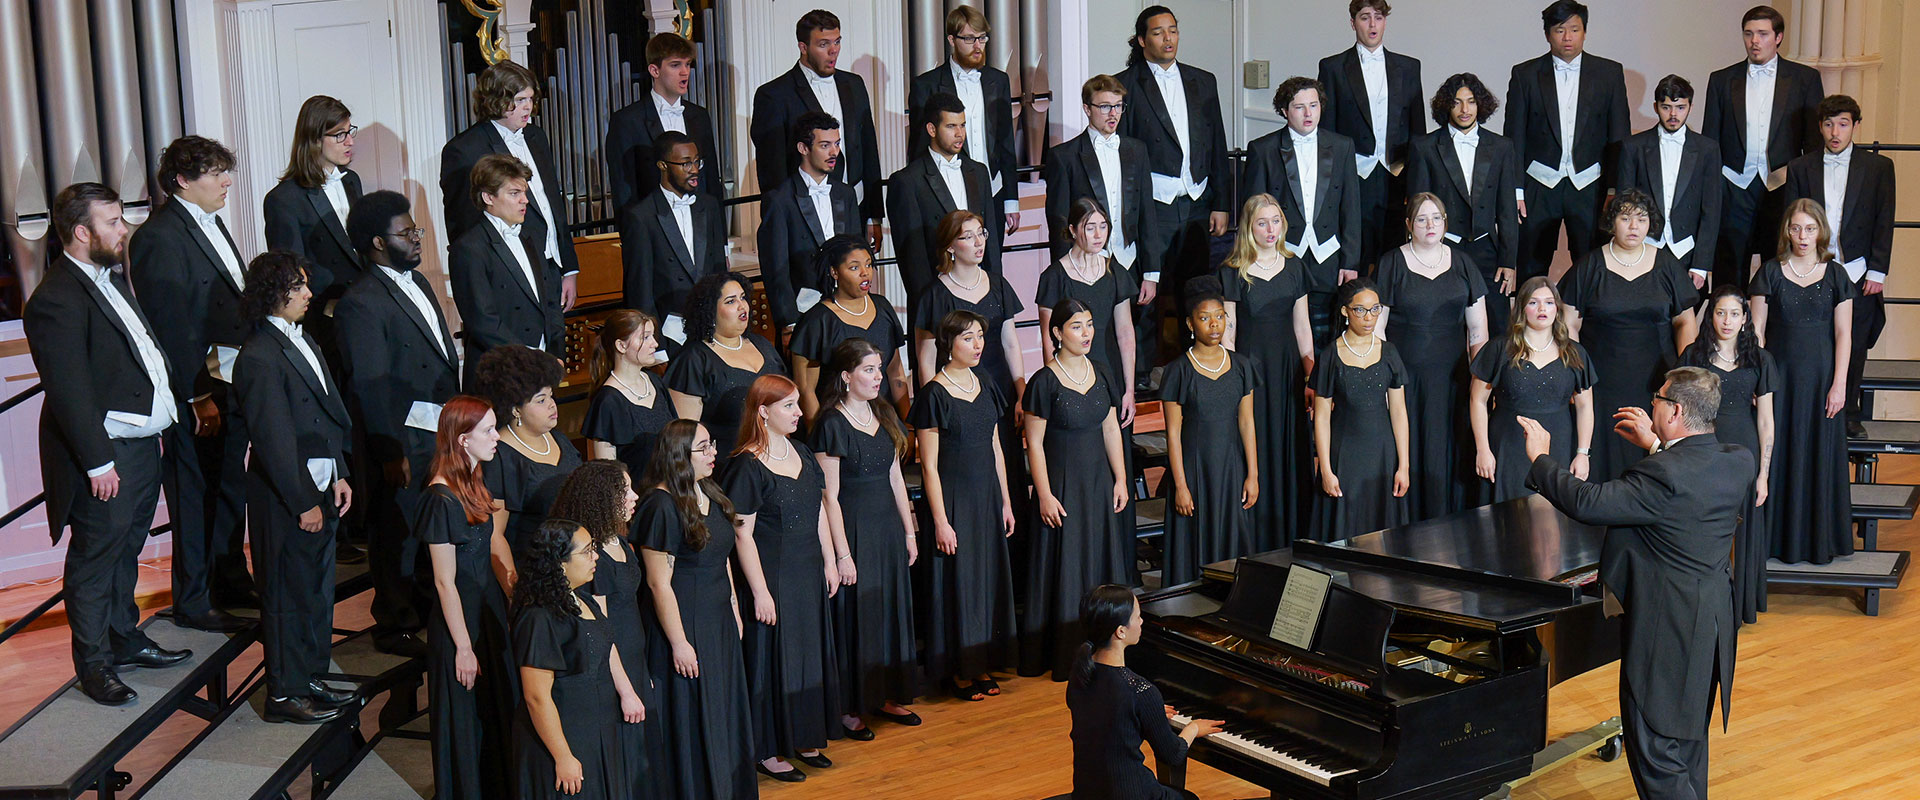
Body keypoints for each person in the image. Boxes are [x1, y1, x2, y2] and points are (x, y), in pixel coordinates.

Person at [1519, 367, 1750, 800]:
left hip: (1667, 632)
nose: (1651, 406)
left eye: (1658, 399)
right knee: (1687, 748)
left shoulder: (1663, 475)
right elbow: (1688, 470)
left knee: (1658, 754)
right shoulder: (1737, 460)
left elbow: (1588, 502)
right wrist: (1658, 443)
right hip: (1711, 626)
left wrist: (1540, 458)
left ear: (1676, 411)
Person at [27, 183, 190, 705]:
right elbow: (69, 390)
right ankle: (94, 665)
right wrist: (98, 464)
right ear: (82, 232)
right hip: (105, 456)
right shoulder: (54, 298)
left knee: (128, 549)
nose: (125, 230)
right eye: (114, 221)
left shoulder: (110, 279)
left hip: (140, 447)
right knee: (96, 560)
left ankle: (124, 638)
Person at [128, 135, 253, 632]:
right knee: (194, 493)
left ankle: (231, 580)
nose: (227, 181)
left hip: (229, 378)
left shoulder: (212, 222)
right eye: (215, 172)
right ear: (182, 180)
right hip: (197, 386)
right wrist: (197, 394)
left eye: (227, 170)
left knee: (228, 486)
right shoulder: (159, 236)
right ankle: (194, 599)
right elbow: (173, 325)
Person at [232, 251, 356, 724]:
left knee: (316, 593)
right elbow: (273, 440)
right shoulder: (260, 356)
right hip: (287, 498)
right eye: (298, 286)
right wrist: (304, 501)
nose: (309, 294)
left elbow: (325, 415)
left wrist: (340, 471)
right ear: (272, 293)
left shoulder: (302, 341)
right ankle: (284, 693)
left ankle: (309, 678)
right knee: (286, 595)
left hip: (321, 485)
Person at [338, 189, 462, 658]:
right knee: (398, 535)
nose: (417, 239)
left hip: (437, 429)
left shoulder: (420, 283)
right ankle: (394, 624)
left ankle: (428, 609)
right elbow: (369, 384)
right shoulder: (361, 302)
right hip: (401, 437)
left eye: (417, 231)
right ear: (376, 243)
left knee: (429, 525)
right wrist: (390, 452)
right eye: (407, 233)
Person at [726, 375, 844, 780]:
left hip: (808, 569)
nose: (798, 412)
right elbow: (742, 534)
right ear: (763, 412)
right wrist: (759, 592)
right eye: (788, 406)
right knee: (773, 660)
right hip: (773, 575)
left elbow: (818, 512)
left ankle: (804, 735)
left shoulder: (803, 453)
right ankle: (770, 748)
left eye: (797, 404)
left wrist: (829, 561)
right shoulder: (747, 465)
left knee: (808, 654)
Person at [638, 420, 758, 800]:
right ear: (679, 456)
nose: (713, 453)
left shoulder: (707, 489)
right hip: (686, 623)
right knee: (695, 712)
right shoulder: (660, 504)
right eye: (704, 448)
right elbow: (659, 583)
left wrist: (736, 609)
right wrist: (679, 643)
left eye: (712, 444)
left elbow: (721, 554)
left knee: (724, 707)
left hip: (718, 617)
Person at [811, 339, 922, 731]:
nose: (878, 377)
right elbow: (830, 497)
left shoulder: (884, 412)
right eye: (868, 370)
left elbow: (895, 477)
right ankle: (849, 706)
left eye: (878, 369)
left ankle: (886, 695)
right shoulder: (831, 423)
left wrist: (909, 531)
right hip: (854, 530)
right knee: (858, 616)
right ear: (846, 376)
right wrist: (842, 554)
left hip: (888, 527)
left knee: (889, 610)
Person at [909, 310, 1017, 702]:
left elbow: (995, 447)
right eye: (968, 338)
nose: (978, 344)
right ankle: (957, 670)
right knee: (957, 585)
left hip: (986, 496)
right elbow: (930, 467)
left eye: (980, 337)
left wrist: (1004, 500)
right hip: (952, 501)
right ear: (948, 344)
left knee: (985, 581)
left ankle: (982, 661)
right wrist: (940, 520)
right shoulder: (934, 394)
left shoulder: (985, 381)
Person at [1021, 299, 1133, 680]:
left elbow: (1110, 429)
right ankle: (1068, 653)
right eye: (1076, 327)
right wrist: (1046, 493)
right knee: (1066, 567)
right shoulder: (1044, 381)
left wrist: (1120, 477)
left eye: (1089, 325)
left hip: (1098, 484)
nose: (1086, 333)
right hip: (1063, 485)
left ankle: (1106, 650)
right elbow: (1033, 444)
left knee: (1099, 562)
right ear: (1057, 333)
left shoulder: (1101, 371)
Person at [1560, 188, 1699, 483]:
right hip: (1601, 383)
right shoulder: (1590, 266)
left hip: (1657, 385)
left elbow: (1685, 322)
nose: (1634, 227)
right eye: (1625, 218)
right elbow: (1568, 324)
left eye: (1641, 219)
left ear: (1651, 224)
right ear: (1612, 222)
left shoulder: (1667, 265)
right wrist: (1578, 376)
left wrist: (1684, 377)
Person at [417, 395, 516, 800]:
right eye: (488, 431)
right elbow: (444, 582)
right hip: (460, 624)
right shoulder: (439, 498)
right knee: (465, 720)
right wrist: (462, 647)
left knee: (494, 711)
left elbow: (493, 544)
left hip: (486, 611)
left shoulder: (473, 479)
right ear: (462, 440)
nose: (497, 437)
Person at [1782, 95, 1895, 439]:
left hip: (1858, 268)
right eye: (1829, 124)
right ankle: (1809, 408)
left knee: (1856, 340)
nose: (1835, 132)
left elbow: (1883, 220)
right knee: (1813, 338)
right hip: (1813, 267)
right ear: (1820, 127)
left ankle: (1849, 412)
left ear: (1855, 126)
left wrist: (1878, 271)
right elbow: (1791, 217)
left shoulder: (1878, 167)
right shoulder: (1802, 167)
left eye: (1843, 124)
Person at [1749, 199, 1854, 565]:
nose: (1803, 236)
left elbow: (1844, 335)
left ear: (1821, 231)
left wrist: (1839, 384)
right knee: (1778, 449)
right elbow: (1757, 332)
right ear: (1787, 231)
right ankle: (1777, 541)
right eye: (1796, 228)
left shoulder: (1837, 274)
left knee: (1820, 452)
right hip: (1780, 377)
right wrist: (1757, 381)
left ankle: (1819, 540)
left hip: (1823, 377)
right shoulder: (1770, 272)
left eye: (1810, 228)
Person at [1116, 6, 1229, 344]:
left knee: (1194, 288)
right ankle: (1143, 374)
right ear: (1141, 39)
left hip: (1197, 201)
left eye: (1173, 30)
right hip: (1154, 205)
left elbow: (1217, 144)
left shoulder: (1203, 80)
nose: (1168, 38)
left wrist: (1221, 202)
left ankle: (1191, 361)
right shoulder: (1125, 85)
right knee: (1147, 292)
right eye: (1158, 32)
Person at [512, 519, 646, 800]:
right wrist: (563, 756)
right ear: (560, 563)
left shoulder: (584, 600)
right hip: (564, 740)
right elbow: (536, 697)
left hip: (596, 732)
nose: (595, 556)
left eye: (594, 548)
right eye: (587, 551)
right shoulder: (539, 618)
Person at [1375, 192, 1489, 519]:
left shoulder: (1464, 263)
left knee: (1447, 450)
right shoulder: (1391, 263)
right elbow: (1377, 329)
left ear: (1445, 223)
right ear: (1409, 224)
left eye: (1436, 218)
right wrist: (1388, 377)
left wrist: (1480, 382)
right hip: (1404, 378)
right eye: (1422, 219)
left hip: (1452, 380)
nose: (1430, 225)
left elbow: (1478, 332)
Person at [1504, 0, 1631, 284]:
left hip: (1590, 184)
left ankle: (1587, 328)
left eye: (1575, 29)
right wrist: (1516, 190)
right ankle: (1527, 325)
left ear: (1585, 32)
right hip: (1539, 183)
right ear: (1548, 34)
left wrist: (1615, 189)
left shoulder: (1609, 73)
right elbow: (1514, 137)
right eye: (1560, 30)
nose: (1568, 37)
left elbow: (1619, 137)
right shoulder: (1525, 74)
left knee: (1593, 266)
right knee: (1531, 264)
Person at [548, 459, 656, 792]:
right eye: (625, 491)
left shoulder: (620, 542)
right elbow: (601, 629)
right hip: (613, 670)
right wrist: (626, 690)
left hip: (634, 661)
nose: (635, 497)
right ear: (601, 497)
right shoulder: (592, 556)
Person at [1043, 75, 1162, 372]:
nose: (1113, 114)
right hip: (1084, 266)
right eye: (1105, 107)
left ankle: (1131, 393)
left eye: (1119, 106)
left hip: (1129, 258)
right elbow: (1058, 219)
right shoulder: (1064, 156)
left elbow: (1147, 211)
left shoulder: (1137, 150)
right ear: (1087, 108)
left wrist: (1151, 271)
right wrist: (1064, 274)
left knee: (1130, 335)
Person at [1704, 5, 1825, 291]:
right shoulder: (1721, 80)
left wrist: (1806, 195)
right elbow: (1711, 142)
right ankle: (1728, 333)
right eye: (1748, 34)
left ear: (1778, 37)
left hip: (1783, 186)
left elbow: (1813, 143)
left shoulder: (1804, 79)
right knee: (1729, 265)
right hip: (1734, 185)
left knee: (1779, 264)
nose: (1754, 41)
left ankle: (1773, 332)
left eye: (1762, 34)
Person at [441, 60, 580, 308]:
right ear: (495, 99)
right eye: (519, 100)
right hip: (508, 274)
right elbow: (462, 225)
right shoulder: (464, 150)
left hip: (551, 268)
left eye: (530, 99)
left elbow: (552, 206)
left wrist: (568, 268)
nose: (528, 107)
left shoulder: (537, 137)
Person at [1216, 195, 1313, 549]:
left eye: (1275, 221)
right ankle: (1255, 533)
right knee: (1254, 442)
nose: (1270, 229)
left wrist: (1309, 376)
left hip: (1287, 370)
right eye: (1262, 222)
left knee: (1290, 444)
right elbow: (1228, 331)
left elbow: (1303, 328)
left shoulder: (1295, 266)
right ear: (1248, 227)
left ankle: (1293, 531)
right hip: (1251, 369)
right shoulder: (1232, 270)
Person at [1066, 585, 1220, 800]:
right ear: (1120, 631)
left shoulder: (1079, 674)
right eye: (1137, 617)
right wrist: (1193, 728)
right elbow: (1173, 755)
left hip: (1087, 792)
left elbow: (1106, 721)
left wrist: (1149, 714)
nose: (1141, 622)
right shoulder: (1140, 690)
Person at [1678, 286, 1776, 624]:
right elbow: (1679, 410)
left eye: (1735, 314)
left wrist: (1763, 474)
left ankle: (1738, 605)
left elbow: (1765, 420)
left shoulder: (1760, 359)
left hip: (1743, 453)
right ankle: (1701, 604)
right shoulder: (1693, 355)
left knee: (1743, 528)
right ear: (1711, 316)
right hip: (1703, 451)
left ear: (1745, 319)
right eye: (1721, 313)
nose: (1727, 320)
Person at [1242, 76, 1360, 346]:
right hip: (1282, 252)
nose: (1309, 114)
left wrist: (1350, 261)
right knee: (1283, 328)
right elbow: (1253, 213)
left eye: (1314, 105)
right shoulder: (1263, 149)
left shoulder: (1342, 146)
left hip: (1327, 252)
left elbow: (1351, 208)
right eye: (1299, 107)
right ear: (1284, 111)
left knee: (1323, 328)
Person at [1160, 277, 1260, 584]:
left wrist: (1253, 474)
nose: (1214, 325)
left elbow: (1246, 422)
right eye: (1205, 318)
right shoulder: (1178, 371)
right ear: (1191, 324)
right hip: (1195, 468)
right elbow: (1173, 433)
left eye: (1219, 317)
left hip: (1230, 466)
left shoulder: (1241, 366)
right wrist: (1180, 485)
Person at [750, 8, 885, 235]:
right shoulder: (774, 95)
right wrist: (782, 225)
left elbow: (868, 149)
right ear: (803, 47)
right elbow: (771, 170)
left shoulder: (854, 84)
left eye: (837, 42)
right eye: (823, 45)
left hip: (855, 211)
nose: (833, 51)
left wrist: (874, 215)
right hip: (804, 217)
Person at [1316, 0, 1426, 273]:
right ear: (1353, 23)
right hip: (1354, 173)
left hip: (1396, 173)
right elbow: (1327, 131)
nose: (1373, 24)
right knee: (1355, 250)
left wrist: (1416, 181)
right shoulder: (1333, 67)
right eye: (1365, 17)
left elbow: (1417, 129)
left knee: (1394, 251)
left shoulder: (1409, 66)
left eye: (1378, 17)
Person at [1407, 72, 1521, 329]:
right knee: (1446, 325)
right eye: (1457, 102)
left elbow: (1506, 210)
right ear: (1446, 105)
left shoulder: (1501, 147)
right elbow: (1419, 208)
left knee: (1497, 326)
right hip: (1443, 248)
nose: (1464, 109)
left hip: (1487, 251)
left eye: (1470, 101)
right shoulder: (1424, 147)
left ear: (1480, 104)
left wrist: (1508, 260)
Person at [1470, 278, 1595, 502]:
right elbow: (1478, 400)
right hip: (1508, 446)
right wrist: (1483, 449)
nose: (1541, 309)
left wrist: (1582, 453)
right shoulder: (1500, 348)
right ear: (1521, 308)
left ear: (1557, 308)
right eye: (1533, 302)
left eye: (1548, 303)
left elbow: (1585, 406)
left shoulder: (1574, 353)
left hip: (1558, 446)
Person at [449, 154, 566, 386]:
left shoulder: (529, 237)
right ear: (488, 197)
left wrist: (555, 353)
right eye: (514, 193)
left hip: (541, 364)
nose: (525, 201)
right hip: (501, 371)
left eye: (524, 192)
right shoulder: (469, 248)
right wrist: (530, 359)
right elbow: (484, 322)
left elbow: (550, 301)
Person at [1311, 278, 1410, 541]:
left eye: (1375, 309)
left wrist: (1404, 465)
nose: (1369, 318)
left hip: (1382, 454)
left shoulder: (1389, 352)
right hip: (1345, 454)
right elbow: (1321, 417)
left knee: (1382, 534)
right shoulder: (1330, 355)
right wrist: (1326, 469)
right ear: (1345, 311)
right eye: (1361, 310)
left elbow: (1399, 412)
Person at [886, 92, 1006, 306]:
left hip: (980, 293)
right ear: (932, 129)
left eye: (962, 125)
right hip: (937, 298)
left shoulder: (978, 172)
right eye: (951, 126)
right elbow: (912, 258)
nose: (960, 134)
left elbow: (992, 242)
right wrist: (930, 304)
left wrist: (995, 291)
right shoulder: (907, 181)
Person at [262, 96, 364, 342]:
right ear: (315, 140)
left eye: (350, 131)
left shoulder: (351, 180)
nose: (349, 141)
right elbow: (291, 270)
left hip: (362, 309)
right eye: (339, 134)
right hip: (324, 318)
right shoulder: (284, 199)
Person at [664, 271, 786, 475]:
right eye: (730, 301)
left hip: (776, 461)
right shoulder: (693, 359)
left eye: (743, 297)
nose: (742, 306)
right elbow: (685, 439)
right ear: (710, 311)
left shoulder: (763, 345)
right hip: (726, 471)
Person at [908, 6, 1020, 228]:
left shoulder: (999, 81)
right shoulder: (926, 85)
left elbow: (1006, 141)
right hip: (948, 193)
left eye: (982, 38)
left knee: (991, 261)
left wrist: (1011, 200)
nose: (978, 46)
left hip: (993, 192)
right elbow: (919, 147)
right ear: (952, 39)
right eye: (969, 39)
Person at [473, 344, 580, 562]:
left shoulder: (558, 438)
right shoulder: (499, 457)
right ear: (515, 409)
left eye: (551, 396)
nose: (552, 405)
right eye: (541, 400)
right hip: (534, 567)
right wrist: (514, 591)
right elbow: (495, 536)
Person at [617, 131, 727, 341]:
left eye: (697, 162)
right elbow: (640, 288)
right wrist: (654, 345)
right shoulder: (640, 216)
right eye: (685, 164)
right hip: (669, 333)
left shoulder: (709, 205)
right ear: (663, 166)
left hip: (710, 328)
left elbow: (718, 269)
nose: (694, 170)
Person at [1037, 199, 1139, 427]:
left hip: (1110, 370)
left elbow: (1125, 333)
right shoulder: (1054, 277)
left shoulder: (1115, 272)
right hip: (1071, 373)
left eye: (1103, 226)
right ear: (1073, 230)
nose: (1098, 235)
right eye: (1090, 227)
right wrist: (1055, 385)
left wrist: (1129, 389)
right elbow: (1048, 338)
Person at [758, 113, 864, 331]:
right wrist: (788, 322)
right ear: (803, 148)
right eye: (825, 145)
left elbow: (856, 253)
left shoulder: (846, 194)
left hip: (847, 309)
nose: (834, 152)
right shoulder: (779, 200)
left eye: (836, 144)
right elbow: (776, 268)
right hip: (803, 315)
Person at [1615, 75, 1724, 288]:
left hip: (1687, 251)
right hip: (1644, 246)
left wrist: (1701, 264)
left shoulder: (1707, 149)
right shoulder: (1633, 146)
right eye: (1666, 107)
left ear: (1690, 107)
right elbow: (1624, 205)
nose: (1673, 114)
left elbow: (1711, 211)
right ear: (1655, 107)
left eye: (1680, 107)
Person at [790, 235, 908, 420]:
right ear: (834, 272)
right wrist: (822, 438)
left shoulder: (883, 306)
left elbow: (895, 373)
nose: (865, 273)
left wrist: (907, 425)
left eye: (868, 264)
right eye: (854, 267)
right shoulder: (817, 321)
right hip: (840, 426)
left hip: (885, 420)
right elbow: (806, 390)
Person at [605, 32, 723, 209]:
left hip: (700, 225)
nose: (685, 72)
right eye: (675, 65)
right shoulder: (627, 121)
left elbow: (712, 182)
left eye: (688, 64)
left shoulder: (699, 116)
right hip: (655, 228)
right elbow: (624, 192)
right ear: (654, 70)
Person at [583, 309, 673, 480]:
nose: (654, 343)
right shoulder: (608, 401)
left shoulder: (655, 381)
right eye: (645, 337)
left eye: (653, 336)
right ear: (621, 346)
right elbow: (609, 474)